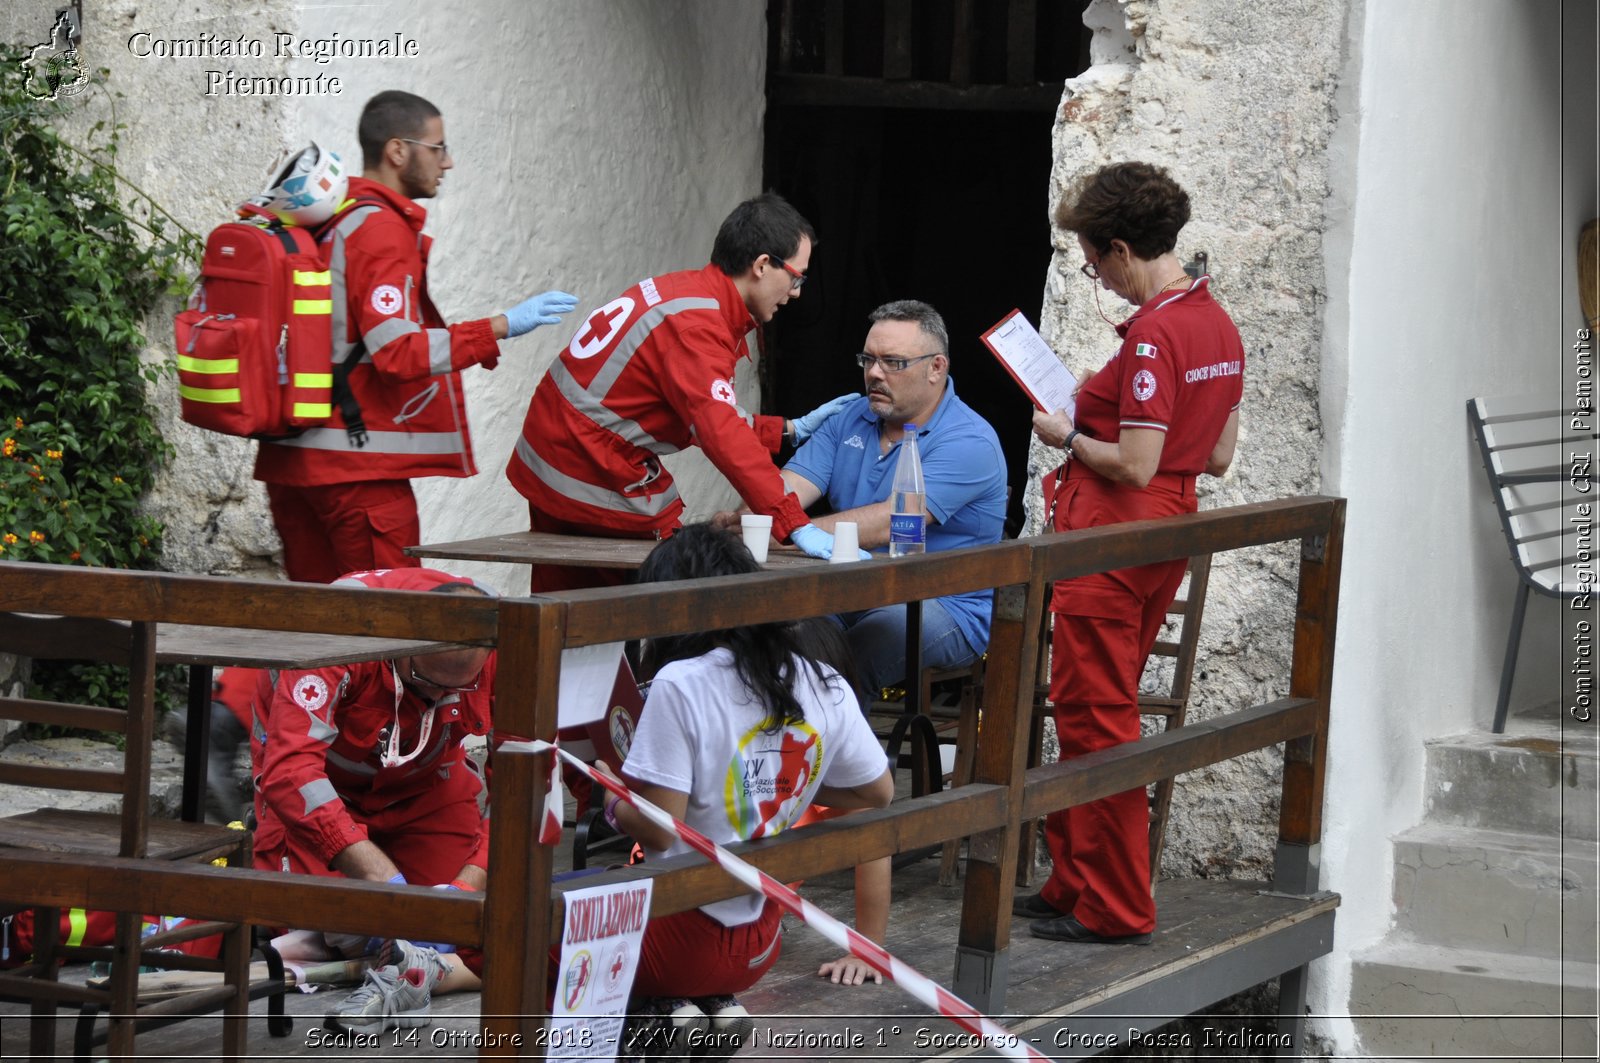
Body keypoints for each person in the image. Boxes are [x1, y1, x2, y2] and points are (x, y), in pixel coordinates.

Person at [1017, 161, 1243, 945]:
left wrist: (1067, 434)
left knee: (1094, 718)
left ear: (1119, 248)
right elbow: (1214, 455)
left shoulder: (1153, 332)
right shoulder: (1214, 319)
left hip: (1110, 539)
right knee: (1095, 707)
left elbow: (1135, 462)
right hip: (1164, 532)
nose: (1097, 277)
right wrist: (1103, 395)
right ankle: (1075, 878)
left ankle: (1114, 904)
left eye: (1092, 260)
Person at [254, 90, 578, 583]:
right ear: (398, 151)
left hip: (293, 461)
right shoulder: (380, 228)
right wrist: (501, 326)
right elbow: (397, 351)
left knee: (315, 632)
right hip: (357, 473)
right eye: (438, 147)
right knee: (390, 627)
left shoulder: (327, 218)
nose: (447, 162)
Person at [594, 524, 893, 1031]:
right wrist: (794, 778)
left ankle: (660, 1009)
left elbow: (662, 828)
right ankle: (699, 1005)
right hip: (760, 939)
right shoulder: (822, 680)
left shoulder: (681, 682)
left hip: (680, 932)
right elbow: (878, 792)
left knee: (532, 932)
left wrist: (611, 797)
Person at [506, 193, 861, 590]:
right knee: (677, 579)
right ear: (762, 265)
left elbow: (691, 408)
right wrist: (793, 522)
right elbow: (718, 430)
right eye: (797, 277)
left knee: (564, 613)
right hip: (585, 467)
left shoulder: (683, 293)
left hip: (552, 457)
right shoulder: (699, 325)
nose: (796, 292)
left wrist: (787, 430)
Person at [245, 567, 497, 1030]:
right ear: (397, 646)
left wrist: (471, 880)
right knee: (343, 928)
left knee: (466, 921)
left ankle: (425, 953)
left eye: (456, 689)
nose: (441, 698)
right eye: (429, 684)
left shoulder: (503, 634)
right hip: (322, 793)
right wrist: (383, 879)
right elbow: (291, 771)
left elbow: (530, 781)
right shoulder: (338, 628)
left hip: (427, 788)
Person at [762, 299, 1007, 703]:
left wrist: (787, 530)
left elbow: (891, 522)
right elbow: (785, 490)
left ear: (936, 368)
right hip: (853, 588)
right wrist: (755, 516)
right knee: (773, 638)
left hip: (943, 603)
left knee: (851, 659)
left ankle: (836, 765)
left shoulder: (969, 440)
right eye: (868, 359)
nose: (874, 373)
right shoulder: (850, 416)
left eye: (893, 362)